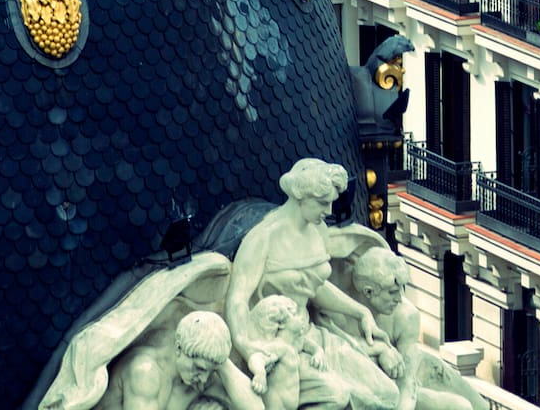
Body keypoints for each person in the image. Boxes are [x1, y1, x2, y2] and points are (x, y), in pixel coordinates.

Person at [225, 160, 396, 410]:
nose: (328, 210)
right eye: (323, 203)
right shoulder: (264, 239)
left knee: (387, 394)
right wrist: (248, 347)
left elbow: (314, 286)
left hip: (312, 335)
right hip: (280, 345)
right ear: (301, 197)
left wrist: (361, 312)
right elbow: (237, 300)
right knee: (339, 397)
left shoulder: (318, 232)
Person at [351, 253, 482, 410]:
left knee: (473, 405)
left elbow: (407, 383)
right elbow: (337, 347)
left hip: (419, 372)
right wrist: (381, 349)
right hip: (380, 383)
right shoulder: (344, 312)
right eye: (392, 292)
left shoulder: (406, 315)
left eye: (402, 289)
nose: (399, 298)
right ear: (368, 292)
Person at [109, 310, 256, 410]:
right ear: (179, 348)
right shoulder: (145, 372)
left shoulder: (196, 378)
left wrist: (222, 364)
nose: (204, 379)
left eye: (209, 370)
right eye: (200, 368)